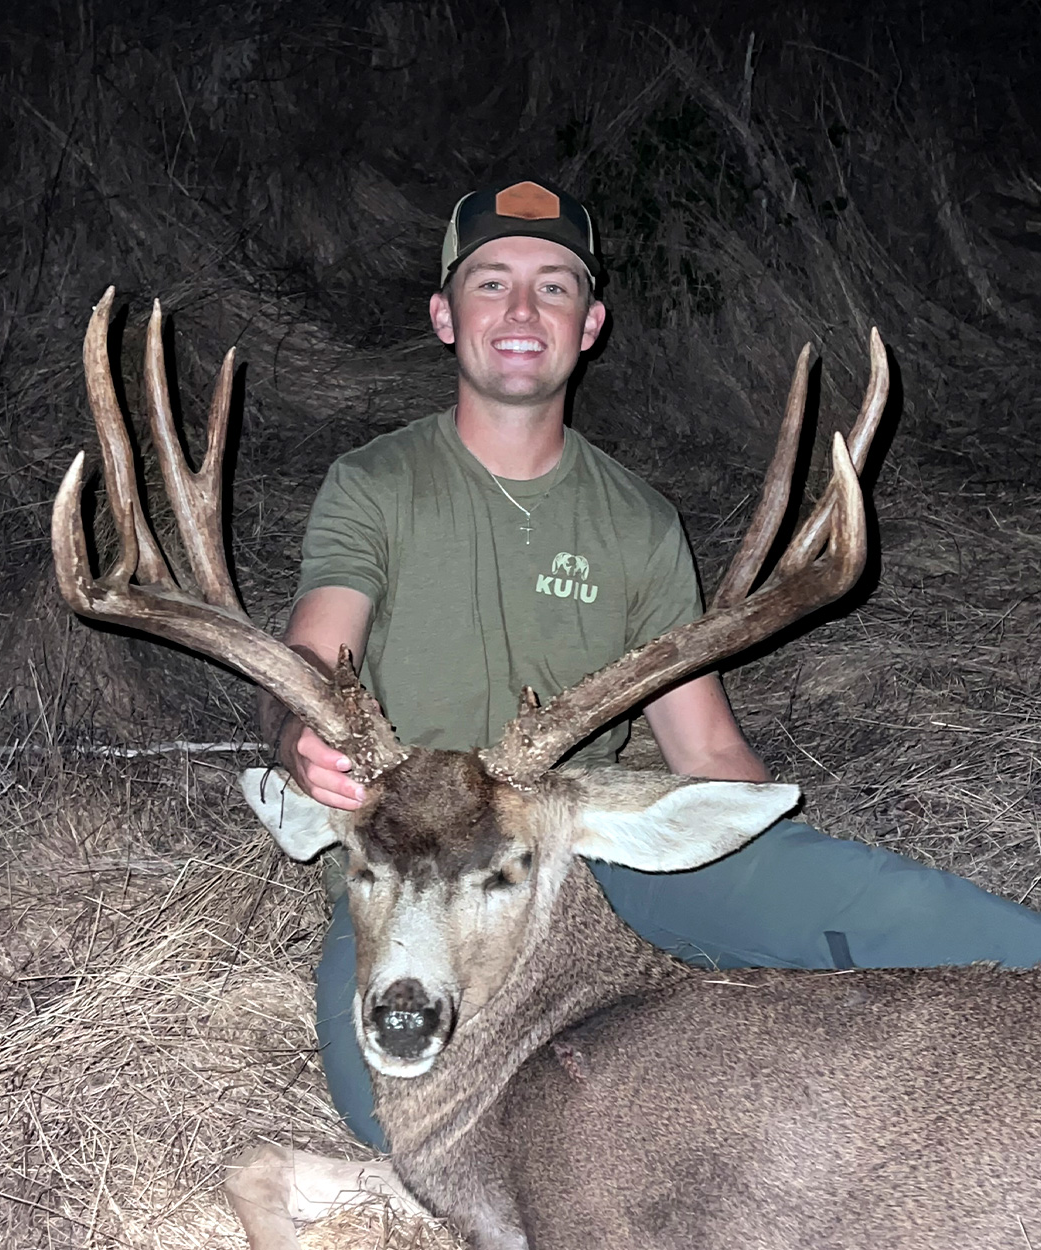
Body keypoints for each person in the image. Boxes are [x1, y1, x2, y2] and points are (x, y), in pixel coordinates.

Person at [256, 178, 1041, 1150]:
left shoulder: (634, 520)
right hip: (421, 863)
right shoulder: (372, 485)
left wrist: (777, 879)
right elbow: (310, 656)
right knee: (395, 1106)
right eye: (490, 281)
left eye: (551, 288)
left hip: (585, 835)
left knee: (896, 910)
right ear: (442, 313)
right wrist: (301, 735)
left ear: (587, 324)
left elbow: (702, 740)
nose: (517, 310)